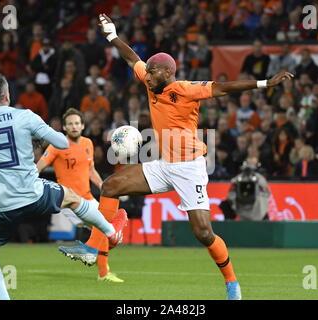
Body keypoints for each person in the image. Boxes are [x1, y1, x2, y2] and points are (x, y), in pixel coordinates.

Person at [60, 14, 294, 300]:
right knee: (111, 186)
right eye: (147, 72)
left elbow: (223, 88)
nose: (147, 76)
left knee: (204, 234)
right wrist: (111, 35)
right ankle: (95, 247)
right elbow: (130, 56)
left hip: (190, 168)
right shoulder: (150, 80)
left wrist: (264, 84)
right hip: (163, 164)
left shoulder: (184, 90)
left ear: (167, 74)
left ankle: (232, 283)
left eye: (153, 73)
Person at [0, 73, 127, 300]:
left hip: (2, 204)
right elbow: (61, 142)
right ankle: (110, 232)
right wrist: (37, 134)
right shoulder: (26, 117)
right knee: (72, 197)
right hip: (34, 194)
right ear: (7, 95)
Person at [37, 108, 124, 283]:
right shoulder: (57, 145)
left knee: (111, 233)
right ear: (64, 127)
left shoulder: (88, 143)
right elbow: (38, 168)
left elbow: (91, 170)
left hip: (89, 198)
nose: (74, 126)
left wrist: (103, 186)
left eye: (77, 123)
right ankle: (94, 259)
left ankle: (99, 267)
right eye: (70, 124)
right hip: (70, 201)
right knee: (113, 222)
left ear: (83, 125)